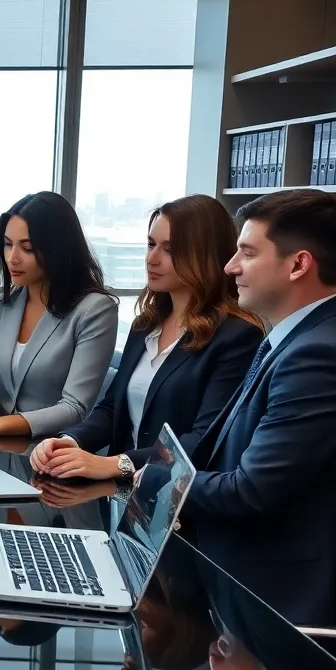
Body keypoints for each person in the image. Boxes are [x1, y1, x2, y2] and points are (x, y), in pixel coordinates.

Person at [185, 189, 336, 626]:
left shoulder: (320, 357)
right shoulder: (292, 339)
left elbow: (250, 491)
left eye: (247, 252)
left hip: (280, 607)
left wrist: (154, 480)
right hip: (239, 572)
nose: (229, 266)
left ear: (298, 264)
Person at [30, 195, 265, 480]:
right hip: (121, 496)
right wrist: (70, 441)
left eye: (170, 249)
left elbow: (203, 437)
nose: (151, 258)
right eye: (151, 244)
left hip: (179, 504)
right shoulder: (146, 324)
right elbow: (112, 408)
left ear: (204, 255)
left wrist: (115, 464)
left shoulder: (237, 336)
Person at [0, 191, 117, 440]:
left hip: (50, 454)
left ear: (58, 249)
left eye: (27, 248)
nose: (11, 258)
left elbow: (73, 408)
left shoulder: (95, 310)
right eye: (7, 244)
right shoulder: (2, 302)